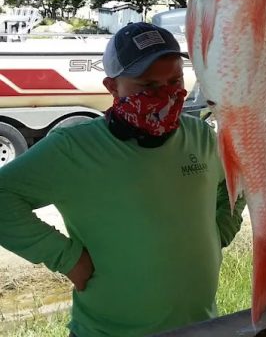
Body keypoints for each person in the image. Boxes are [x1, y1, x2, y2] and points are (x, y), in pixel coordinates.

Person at [0, 22, 244, 337]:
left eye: (174, 81)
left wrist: (222, 227)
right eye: (148, 86)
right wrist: (65, 257)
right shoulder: (74, 147)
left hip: (199, 327)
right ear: (112, 87)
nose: (166, 95)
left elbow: (239, 181)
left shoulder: (199, 136)